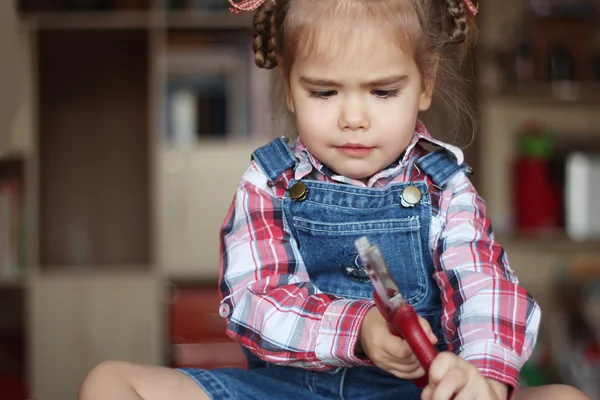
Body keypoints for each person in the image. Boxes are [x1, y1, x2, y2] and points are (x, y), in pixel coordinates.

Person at [78, 0, 591, 399]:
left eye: (382, 92)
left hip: (413, 394)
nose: (353, 118)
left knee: (566, 394)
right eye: (324, 92)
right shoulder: (269, 182)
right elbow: (253, 300)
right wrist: (358, 328)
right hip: (285, 392)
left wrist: (481, 378)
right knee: (109, 383)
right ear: (289, 88)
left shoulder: (446, 187)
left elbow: (486, 289)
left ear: (425, 82)